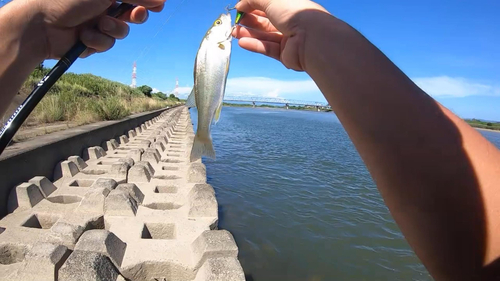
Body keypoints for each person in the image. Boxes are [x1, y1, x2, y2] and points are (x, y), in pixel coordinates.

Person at [1, 0, 500, 279]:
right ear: (221, 32)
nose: (226, 23)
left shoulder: (218, 40)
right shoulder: (220, 39)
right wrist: (315, 30)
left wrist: (33, 24)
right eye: (223, 24)